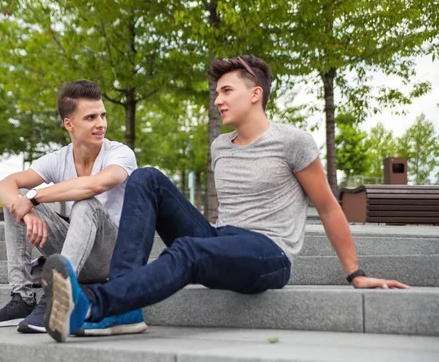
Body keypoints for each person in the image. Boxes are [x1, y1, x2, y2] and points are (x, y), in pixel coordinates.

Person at [39, 55, 410, 343]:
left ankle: (98, 304)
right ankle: (124, 310)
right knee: (146, 177)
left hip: (269, 253)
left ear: (255, 93)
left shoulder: (294, 142)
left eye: (225, 91)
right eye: (216, 92)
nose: (217, 99)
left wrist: (356, 274)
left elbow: (329, 206)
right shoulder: (220, 145)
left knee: (187, 250)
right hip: (222, 237)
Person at [0, 80, 137, 334]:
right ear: (69, 124)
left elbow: (96, 184)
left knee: (86, 202)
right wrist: (28, 209)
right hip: (75, 249)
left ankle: (59, 297)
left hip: (111, 255)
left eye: (103, 115)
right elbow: (3, 186)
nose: (101, 124)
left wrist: (35, 196)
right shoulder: (59, 158)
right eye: (91, 117)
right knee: (15, 201)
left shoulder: (120, 153)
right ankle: (22, 299)